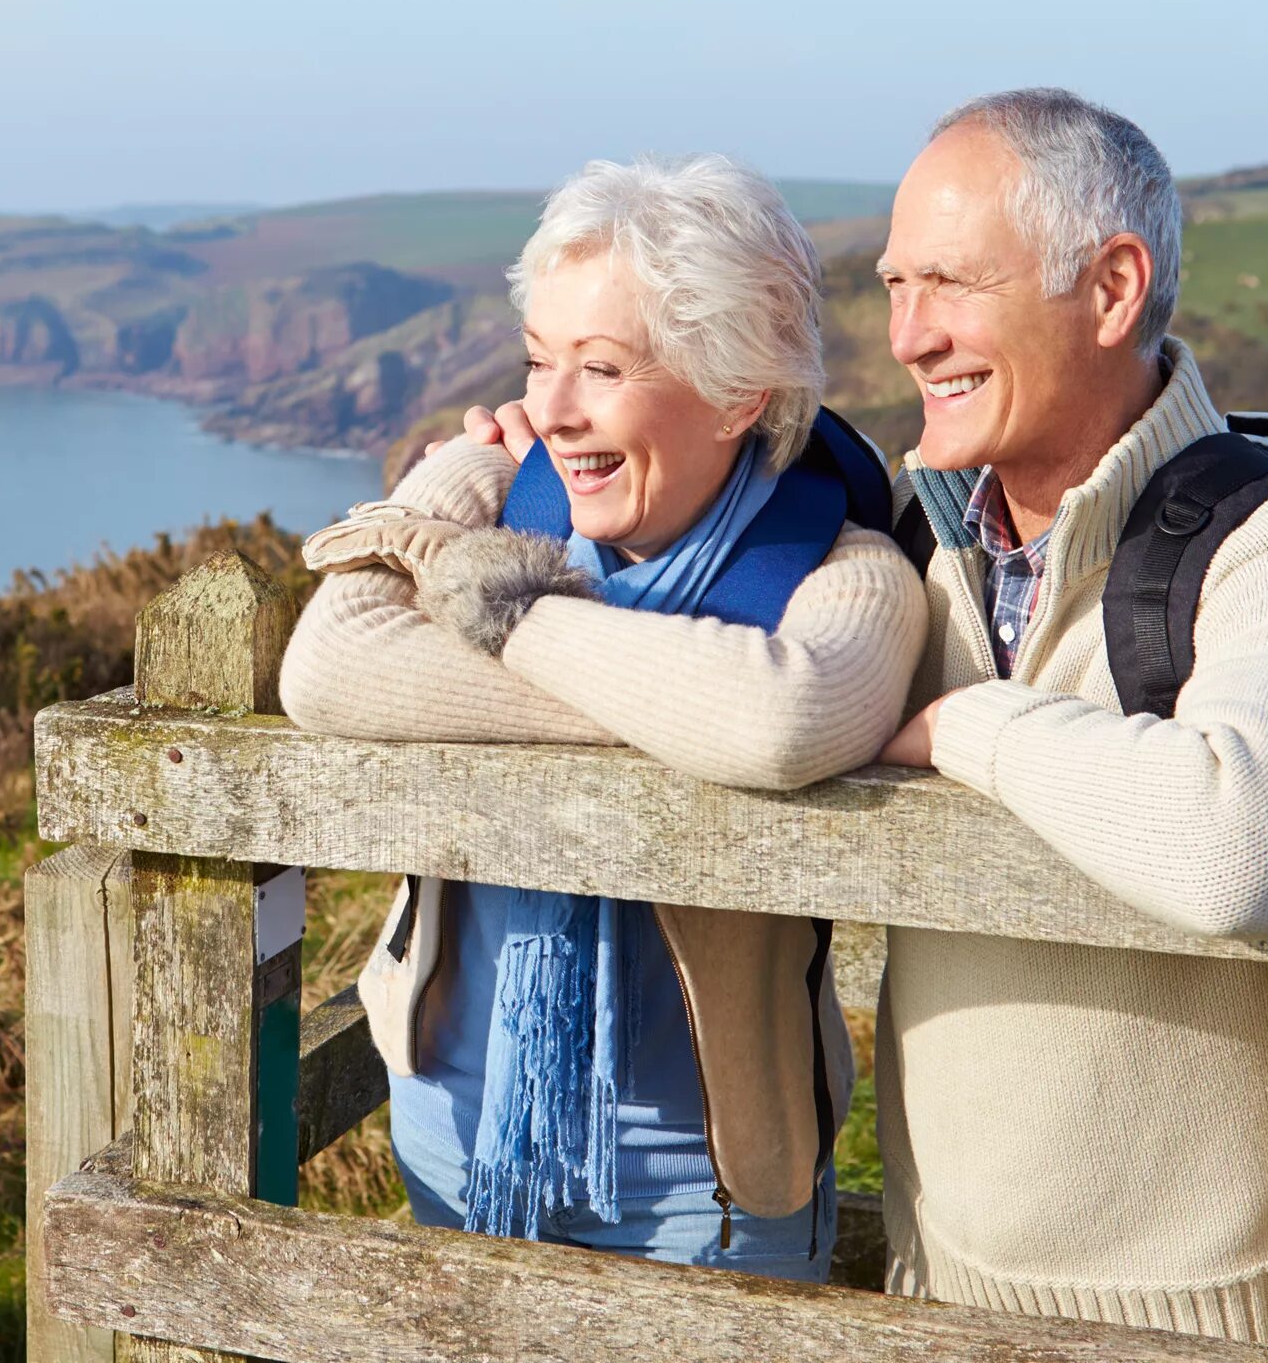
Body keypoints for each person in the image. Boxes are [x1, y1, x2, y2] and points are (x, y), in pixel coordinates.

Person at [280, 154, 925, 1281]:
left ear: (740, 391)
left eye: (605, 368)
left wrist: (497, 610)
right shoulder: (503, 490)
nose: (554, 410)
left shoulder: (844, 570)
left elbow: (778, 720)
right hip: (454, 1134)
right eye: (538, 361)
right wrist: (462, 470)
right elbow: (328, 669)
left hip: (710, 1193)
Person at [866, 89, 1268, 1344]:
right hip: (925, 1289)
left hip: (1201, 1320)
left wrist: (970, 727)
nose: (907, 335)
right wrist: (502, 469)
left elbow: (1245, 843)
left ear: (1113, 289)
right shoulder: (912, 535)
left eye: (947, 283)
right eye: (895, 285)